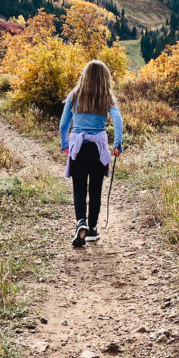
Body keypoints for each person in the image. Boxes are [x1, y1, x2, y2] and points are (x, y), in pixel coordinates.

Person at [59, 60, 123, 247]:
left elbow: (63, 125)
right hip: (98, 149)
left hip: (78, 148)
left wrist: (65, 144)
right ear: (105, 79)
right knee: (95, 190)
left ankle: (81, 222)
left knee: (79, 189)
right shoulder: (107, 97)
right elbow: (117, 119)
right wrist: (118, 143)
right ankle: (92, 229)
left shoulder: (74, 95)